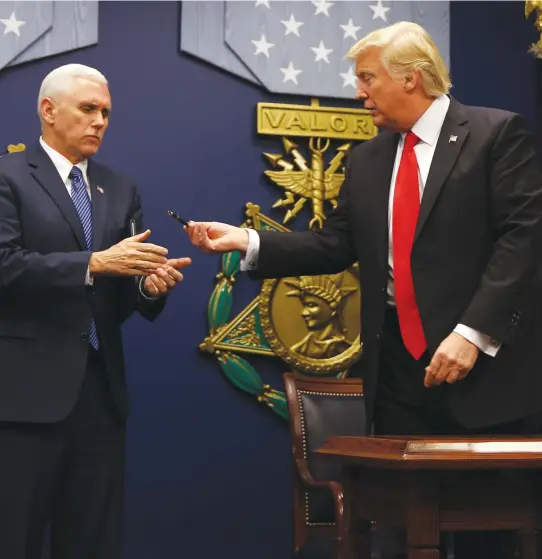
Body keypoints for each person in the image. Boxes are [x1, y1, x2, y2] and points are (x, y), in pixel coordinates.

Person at [186, 22, 542, 558]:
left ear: (412, 79)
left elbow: (524, 238)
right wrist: (248, 241)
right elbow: (336, 244)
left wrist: (473, 332)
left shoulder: (496, 135)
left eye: (368, 78)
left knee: (497, 533)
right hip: (399, 372)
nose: (359, 92)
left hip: (485, 372)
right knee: (399, 530)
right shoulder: (369, 157)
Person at [0, 64, 190, 559]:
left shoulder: (119, 188)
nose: (100, 121)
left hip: (100, 398)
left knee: (92, 542)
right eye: (88, 110)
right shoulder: (7, 176)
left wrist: (148, 286)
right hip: (22, 400)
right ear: (48, 111)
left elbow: (118, 292)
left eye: (105, 112)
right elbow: (4, 266)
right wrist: (96, 262)